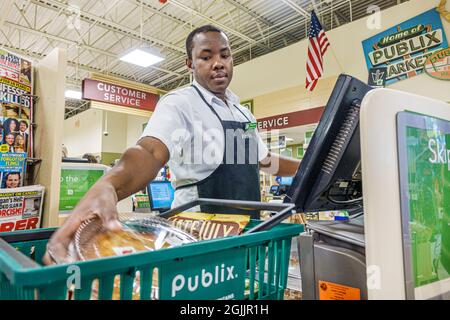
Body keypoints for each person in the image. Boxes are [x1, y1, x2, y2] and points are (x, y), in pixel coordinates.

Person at [43, 25, 300, 264]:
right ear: (190, 64)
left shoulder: (243, 113)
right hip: (199, 235)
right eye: (206, 57)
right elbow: (150, 151)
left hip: (248, 233)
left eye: (225, 55)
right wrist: (111, 184)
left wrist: (310, 165)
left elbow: (263, 161)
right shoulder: (180, 103)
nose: (218, 64)